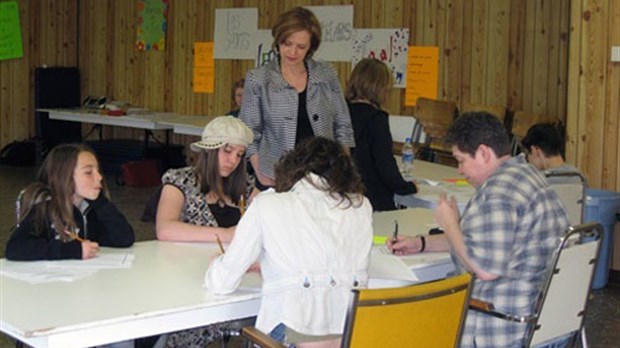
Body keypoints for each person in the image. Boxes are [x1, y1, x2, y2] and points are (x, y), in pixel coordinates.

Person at [388, 112, 569, 347]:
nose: (460, 170)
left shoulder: (499, 194)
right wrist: (421, 243)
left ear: (484, 153)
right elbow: (477, 241)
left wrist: (450, 224)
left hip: (502, 326)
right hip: (544, 323)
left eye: (461, 160)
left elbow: (486, 269)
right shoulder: (526, 176)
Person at [205, 137, 373, 348]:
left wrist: (217, 263)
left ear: (291, 167)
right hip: (352, 335)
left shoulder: (267, 204)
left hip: (293, 336)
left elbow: (222, 283)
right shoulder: (361, 205)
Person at [239, 7, 355, 191]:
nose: (293, 52)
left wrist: (344, 168)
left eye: (301, 47)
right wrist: (260, 172)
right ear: (277, 41)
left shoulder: (326, 74)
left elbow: (343, 125)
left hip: (324, 175)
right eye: (287, 43)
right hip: (275, 176)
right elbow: (248, 133)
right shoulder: (258, 79)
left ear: (311, 47)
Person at [5, 143, 134, 260]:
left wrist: (101, 202)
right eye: (88, 172)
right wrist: (73, 250)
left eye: (98, 170)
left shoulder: (94, 207)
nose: (99, 177)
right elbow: (15, 248)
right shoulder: (43, 208)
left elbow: (124, 239)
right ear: (65, 177)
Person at [156, 115, 254, 244]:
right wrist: (225, 235)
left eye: (239, 155)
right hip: (188, 261)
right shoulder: (179, 181)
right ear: (209, 149)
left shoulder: (248, 185)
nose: (233, 160)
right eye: (228, 151)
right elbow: (164, 230)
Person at [345, 58, 417, 211]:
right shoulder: (376, 119)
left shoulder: (340, 113)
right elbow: (385, 165)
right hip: (373, 199)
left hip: (345, 196)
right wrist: (407, 187)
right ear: (381, 88)